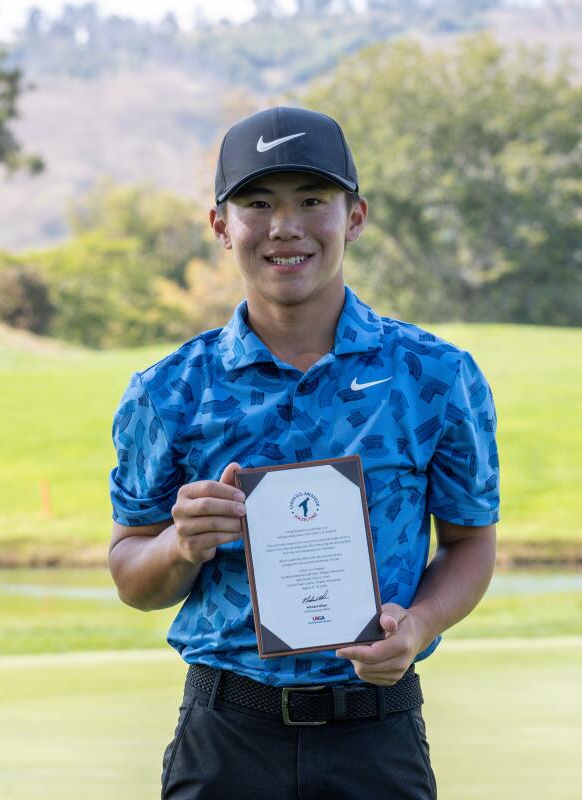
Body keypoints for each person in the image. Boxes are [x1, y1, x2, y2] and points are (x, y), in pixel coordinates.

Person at [108, 106, 499, 799]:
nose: (285, 227)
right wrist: (179, 545)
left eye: (312, 201)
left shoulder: (435, 376)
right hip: (226, 737)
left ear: (354, 216)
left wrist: (420, 626)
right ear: (221, 225)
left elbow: (470, 543)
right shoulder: (168, 392)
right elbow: (131, 574)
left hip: (375, 734)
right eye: (258, 204)